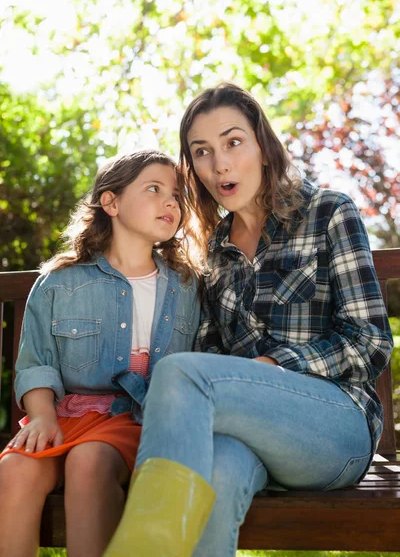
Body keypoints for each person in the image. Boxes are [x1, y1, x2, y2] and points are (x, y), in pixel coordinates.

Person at [104, 84, 393, 557]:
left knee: (181, 371)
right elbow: (213, 354)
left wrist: (276, 367)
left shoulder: (327, 213)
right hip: (249, 435)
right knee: (214, 476)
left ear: (262, 144)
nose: (219, 165)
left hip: (335, 430)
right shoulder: (214, 251)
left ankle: (141, 550)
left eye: (233, 142)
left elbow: (370, 342)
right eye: (202, 152)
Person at [0, 150, 201, 557]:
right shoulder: (59, 282)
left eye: (176, 195)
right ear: (111, 203)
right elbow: (36, 363)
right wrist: (40, 416)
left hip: (135, 419)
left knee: (89, 463)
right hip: (65, 416)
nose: (170, 202)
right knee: (14, 470)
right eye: (154, 189)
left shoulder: (187, 286)